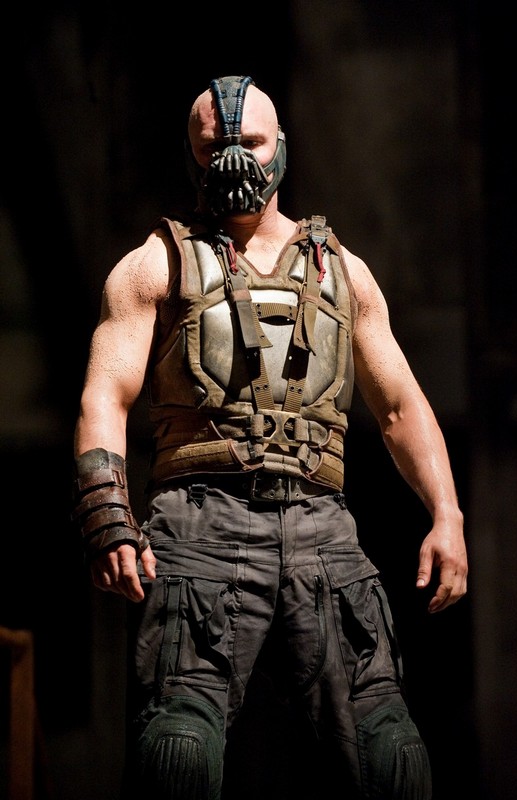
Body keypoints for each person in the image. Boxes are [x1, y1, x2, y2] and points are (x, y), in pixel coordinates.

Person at [72, 75, 467, 800]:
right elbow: (106, 395)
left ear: (281, 146)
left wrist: (447, 514)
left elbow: (400, 406)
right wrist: (108, 517)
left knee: (390, 758)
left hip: (323, 533)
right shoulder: (156, 264)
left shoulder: (342, 272)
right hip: (199, 527)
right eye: (212, 146)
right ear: (191, 154)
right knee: (177, 755)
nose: (232, 160)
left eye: (250, 143)